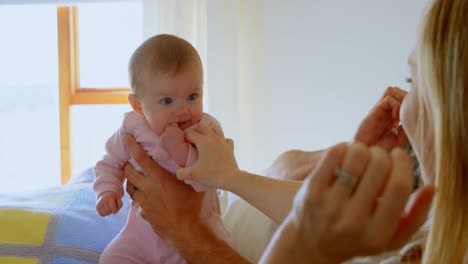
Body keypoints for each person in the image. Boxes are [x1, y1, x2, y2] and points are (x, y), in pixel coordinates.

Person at [124, 0, 467, 262]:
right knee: (287, 164)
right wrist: (354, 156)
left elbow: (315, 226)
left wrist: (187, 232)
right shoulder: (434, 214)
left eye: (415, 81)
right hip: (205, 208)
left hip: (177, 232)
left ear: (453, 113)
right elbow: (320, 203)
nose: (403, 103)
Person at [93, 34, 228, 263]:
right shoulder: (132, 127)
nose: (183, 110)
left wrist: (182, 150)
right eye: (167, 101)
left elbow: (213, 177)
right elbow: (109, 163)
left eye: (192, 96)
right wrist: (108, 190)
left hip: (199, 234)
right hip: (141, 236)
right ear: (137, 105)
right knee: (112, 258)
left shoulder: (207, 129)